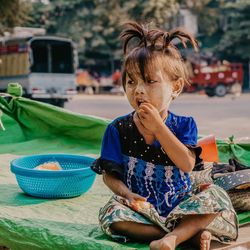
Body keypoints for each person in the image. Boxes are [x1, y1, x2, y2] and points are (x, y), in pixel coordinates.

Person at [91, 21, 238, 250]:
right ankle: (185, 234)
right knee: (111, 214)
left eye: (149, 81)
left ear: (176, 87)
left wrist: (160, 128)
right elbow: (110, 175)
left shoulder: (184, 125)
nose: (138, 89)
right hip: (142, 210)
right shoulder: (117, 129)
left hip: (182, 204)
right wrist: (128, 194)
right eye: (131, 81)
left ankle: (172, 238)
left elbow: (187, 164)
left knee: (216, 197)